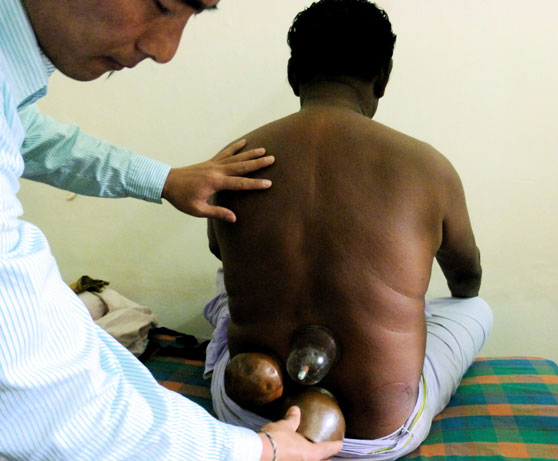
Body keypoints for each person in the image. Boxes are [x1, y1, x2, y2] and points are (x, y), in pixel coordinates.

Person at [0, 0, 342, 459]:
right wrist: (257, 453)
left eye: (196, 14)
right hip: (339, 426)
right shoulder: (429, 167)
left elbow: (25, 130)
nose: (166, 50)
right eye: (162, 3)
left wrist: (162, 180)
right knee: (470, 313)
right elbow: (37, 387)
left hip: (245, 402)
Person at [204, 0, 493, 459]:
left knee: (225, 289)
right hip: (374, 438)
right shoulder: (426, 166)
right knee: (475, 310)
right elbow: (466, 278)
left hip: (252, 422)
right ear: (383, 76)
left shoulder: (237, 158)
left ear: (294, 73)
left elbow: (222, 253)